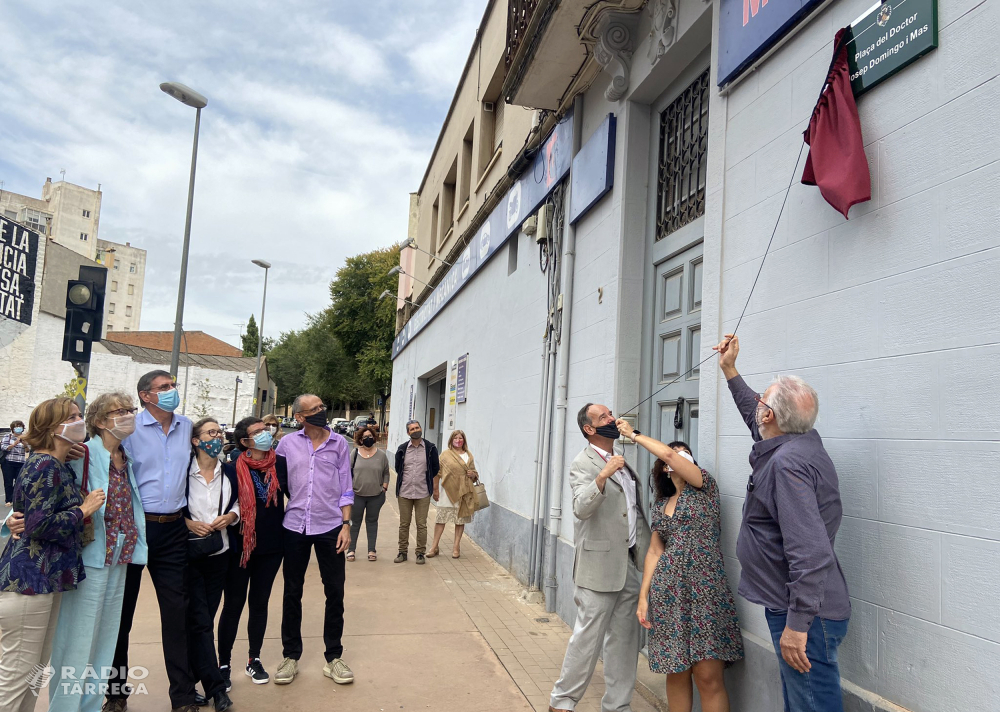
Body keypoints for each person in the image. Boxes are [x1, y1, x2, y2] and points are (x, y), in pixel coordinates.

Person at [714, 334, 851, 712]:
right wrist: (730, 371)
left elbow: (811, 552)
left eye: (762, 402)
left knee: (811, 707)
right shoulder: (799, 440)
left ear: (770, 416)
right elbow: (755, 415)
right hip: (803, 608)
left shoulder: (787, 465)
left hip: (805, 615)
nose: (756, 406)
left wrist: (798, 624)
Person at [616, 423, 743, 712]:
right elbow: (655, 550)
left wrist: (633, 435)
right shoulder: (661, 503)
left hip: (706, 594)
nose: (679, 456)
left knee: (708, 676)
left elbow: (673, 459)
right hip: (669, 595)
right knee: (676, 672)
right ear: (663, 469)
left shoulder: (705, 487)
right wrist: (644, 595)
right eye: (674, 455)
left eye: (686, 454)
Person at [0, 398, 105, 712]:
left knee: (31, 674)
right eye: (72, 417)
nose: (79, 420)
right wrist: (83, 511)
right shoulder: (44, 465)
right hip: (28, 582)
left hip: (43, 580)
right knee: (16, 678)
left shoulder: (54, 463)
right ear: (53, 428)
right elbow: (37, 525)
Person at [105, 370, 201, 712]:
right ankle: (115, 694)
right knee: (122, 616)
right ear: (146, 396)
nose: (172, 391)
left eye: (173, 386)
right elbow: (107, 463)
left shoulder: (187, 427)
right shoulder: (130, 429)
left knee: (177, 612)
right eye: (164, 387)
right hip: (134, 528)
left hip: (174, 529)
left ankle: (184, 697)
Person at [549, 403, 651, 712]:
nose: (612, 418)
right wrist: (602, 477)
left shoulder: (623, 460)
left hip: (630, 567)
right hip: (598, 569)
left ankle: (618, 707)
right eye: (604, 417)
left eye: (610, 414)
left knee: (624, 644)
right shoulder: (583, 463)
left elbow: (633, 514)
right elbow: (581, 508)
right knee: (587, 641)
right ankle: (562, 703)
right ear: (590, 429)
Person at [49, 393, 147, 712]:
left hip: (120, 556)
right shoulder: (82, 453)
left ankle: (89, 706)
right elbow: (48, 491)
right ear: (101, 421)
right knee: (78, 638)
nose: (129, 415)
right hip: (89, 558)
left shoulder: (125, 456)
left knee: (105, 640)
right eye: (121, 411)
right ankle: (65, 707)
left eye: (131, 410)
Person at [272, 394, 354, 686]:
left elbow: (346, 487)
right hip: (295, 527)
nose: (322, 411)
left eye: (322, 406)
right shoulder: (286, 444)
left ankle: (334, 657)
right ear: (300, 417)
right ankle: (290, 656)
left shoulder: (339, 444)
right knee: (292, 591)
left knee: (335, 591)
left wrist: (346, 525)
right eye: (315, 409)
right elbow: (280, 483)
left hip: (331, 526)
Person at [217, 416, 285, 688]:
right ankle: (223, 664)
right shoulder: (232, 469)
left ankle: (253, 659)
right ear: (245, 441)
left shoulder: (280, 464)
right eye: (258, 431)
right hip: (240, 548)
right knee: (233, 605)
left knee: (259, 604)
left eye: (266, 429)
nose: (265, 433)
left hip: (271, 547)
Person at [184, 418, 238, 711]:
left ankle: (192, 680)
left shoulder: (228, 472)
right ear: (195, 440)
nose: (217, 437)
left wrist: (231, 517)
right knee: (201, 621)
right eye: (211, 432)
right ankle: (217, 689)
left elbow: (240, 504)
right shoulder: (183, 473)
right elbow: (169, 506)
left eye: (219, 432)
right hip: (189, 557)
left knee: (203, 621)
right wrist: (188, 523)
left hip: (220, 554)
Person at [427, 429, 478, 560]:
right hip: (446, 491)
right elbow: (437, 473)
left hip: (464, 492)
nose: (458, 440)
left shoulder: (469, 456)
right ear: (451, 440)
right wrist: (436, 489)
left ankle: (456, 547)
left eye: (460, 438)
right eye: (455, 438)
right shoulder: (445, 455)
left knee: (460, 520)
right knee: (440, 519)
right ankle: (434, 546)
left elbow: (475, 474)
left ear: (464, 441)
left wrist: (473, 475)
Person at [393, 420, 439, 565]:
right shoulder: (402, 449)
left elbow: (435, 469)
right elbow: (398, 468)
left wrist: (435, 489)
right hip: (405, 492)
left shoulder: (430, 448)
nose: (415, 430)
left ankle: (420, 553)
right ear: (408, 432)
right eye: (412, 429)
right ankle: (402, 552)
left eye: (417, 427)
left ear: (421, 428)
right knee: (404, 524)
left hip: (423, 492)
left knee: (421, 525)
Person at [346, 425, 389, 562]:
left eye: (370, 437)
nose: (368, 439)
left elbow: (386, 472)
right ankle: (351, 550)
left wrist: (384, 487)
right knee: (355, 523)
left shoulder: (381, 455)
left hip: (376, 496)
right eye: (365, 437)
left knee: (372, 522)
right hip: (357, 495)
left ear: (374, 438)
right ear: (360, 439)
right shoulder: (354, 453)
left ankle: (372, 550)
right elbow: (347, 472)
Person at [2, 420, 28, 506]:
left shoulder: (26, 438)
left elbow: (28, 450)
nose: (18, 428)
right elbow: (4, 447)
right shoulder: (7, 436)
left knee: (19, 482)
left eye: (20, 426)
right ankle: (8, 500)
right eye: (16, 427)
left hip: (21, 462)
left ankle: (16, 499)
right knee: (8, 481)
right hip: (8, 462)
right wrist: (14, 443)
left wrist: (25, 444)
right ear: (12, 428)